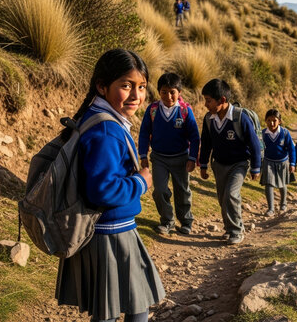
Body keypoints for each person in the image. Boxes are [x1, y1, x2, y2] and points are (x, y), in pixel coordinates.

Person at [55, 49, 164, 322]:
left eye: (141, 87)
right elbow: (101, 190)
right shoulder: (106, 130)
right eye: (125, 86)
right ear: (102, 86)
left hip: (109, 231)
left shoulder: (102, 119)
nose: (135, 96)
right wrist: (141, 182)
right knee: (126, 308)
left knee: (116, 307)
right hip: (110, 234)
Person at [199, 79, 262, 245]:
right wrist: (203, 164)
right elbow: (205, 143)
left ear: (222, 100)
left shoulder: (239, 117)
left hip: (239, 164)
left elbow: (253, 143)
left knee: (231, 194)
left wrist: (256, 167)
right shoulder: (209, 119)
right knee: (222, 198)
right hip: (219, 164)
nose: (206, 104)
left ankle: (237, 230)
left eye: (209, 100)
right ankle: (229, 228)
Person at [138, 73, 200, 236]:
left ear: (179, 92)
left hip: (181, 158)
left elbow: (194, 135)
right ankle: (167, 221)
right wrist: (143, 155)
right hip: (159, 158)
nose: (168, 96)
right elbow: (144, 133)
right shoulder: (152, 110)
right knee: (159, 190)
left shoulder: (185, 110)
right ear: (159, 92)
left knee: (182, 190)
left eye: (172, 92)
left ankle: (186, 221)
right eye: (164, 92)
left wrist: (192, 158)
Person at [260, 109, 296, 215]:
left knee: (282, 184)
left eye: (274, 120)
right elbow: (259, 149)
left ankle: (283, 204)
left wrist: (292, 163)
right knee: (269, 184)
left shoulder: (285, 133)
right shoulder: (263, 134)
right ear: (266, 121)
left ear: (279, 121)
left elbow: (291, 149)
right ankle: (270, 208)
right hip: (268, 162)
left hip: (283, 162)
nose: (272, 123)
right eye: (269, 120)